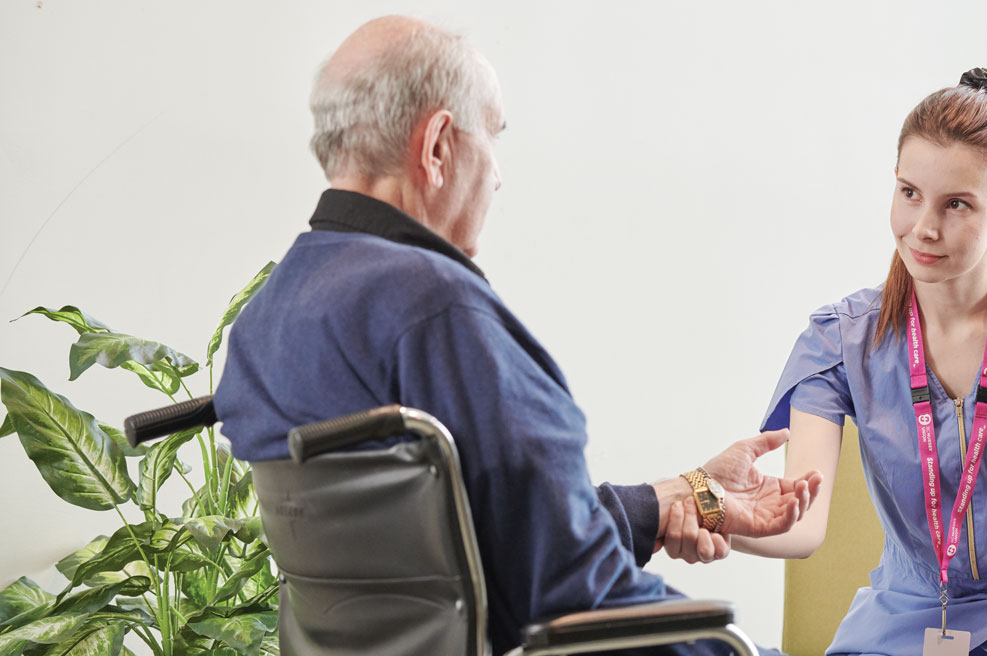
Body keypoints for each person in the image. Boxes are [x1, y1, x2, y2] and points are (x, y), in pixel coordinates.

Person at [212, 16, 821, 655]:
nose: (498, 175)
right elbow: (574, 597)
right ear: (439, 146)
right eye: (493, 137)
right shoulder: (433, 310)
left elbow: (472, 546)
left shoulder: (272, 315)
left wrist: (673, 497)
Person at [688, 69, 987, 655]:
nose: (924, 228)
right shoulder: (839, 339)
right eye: (909, 193)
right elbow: (801, 525)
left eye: (957, 205)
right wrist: (702, 504)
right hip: (906, 623)